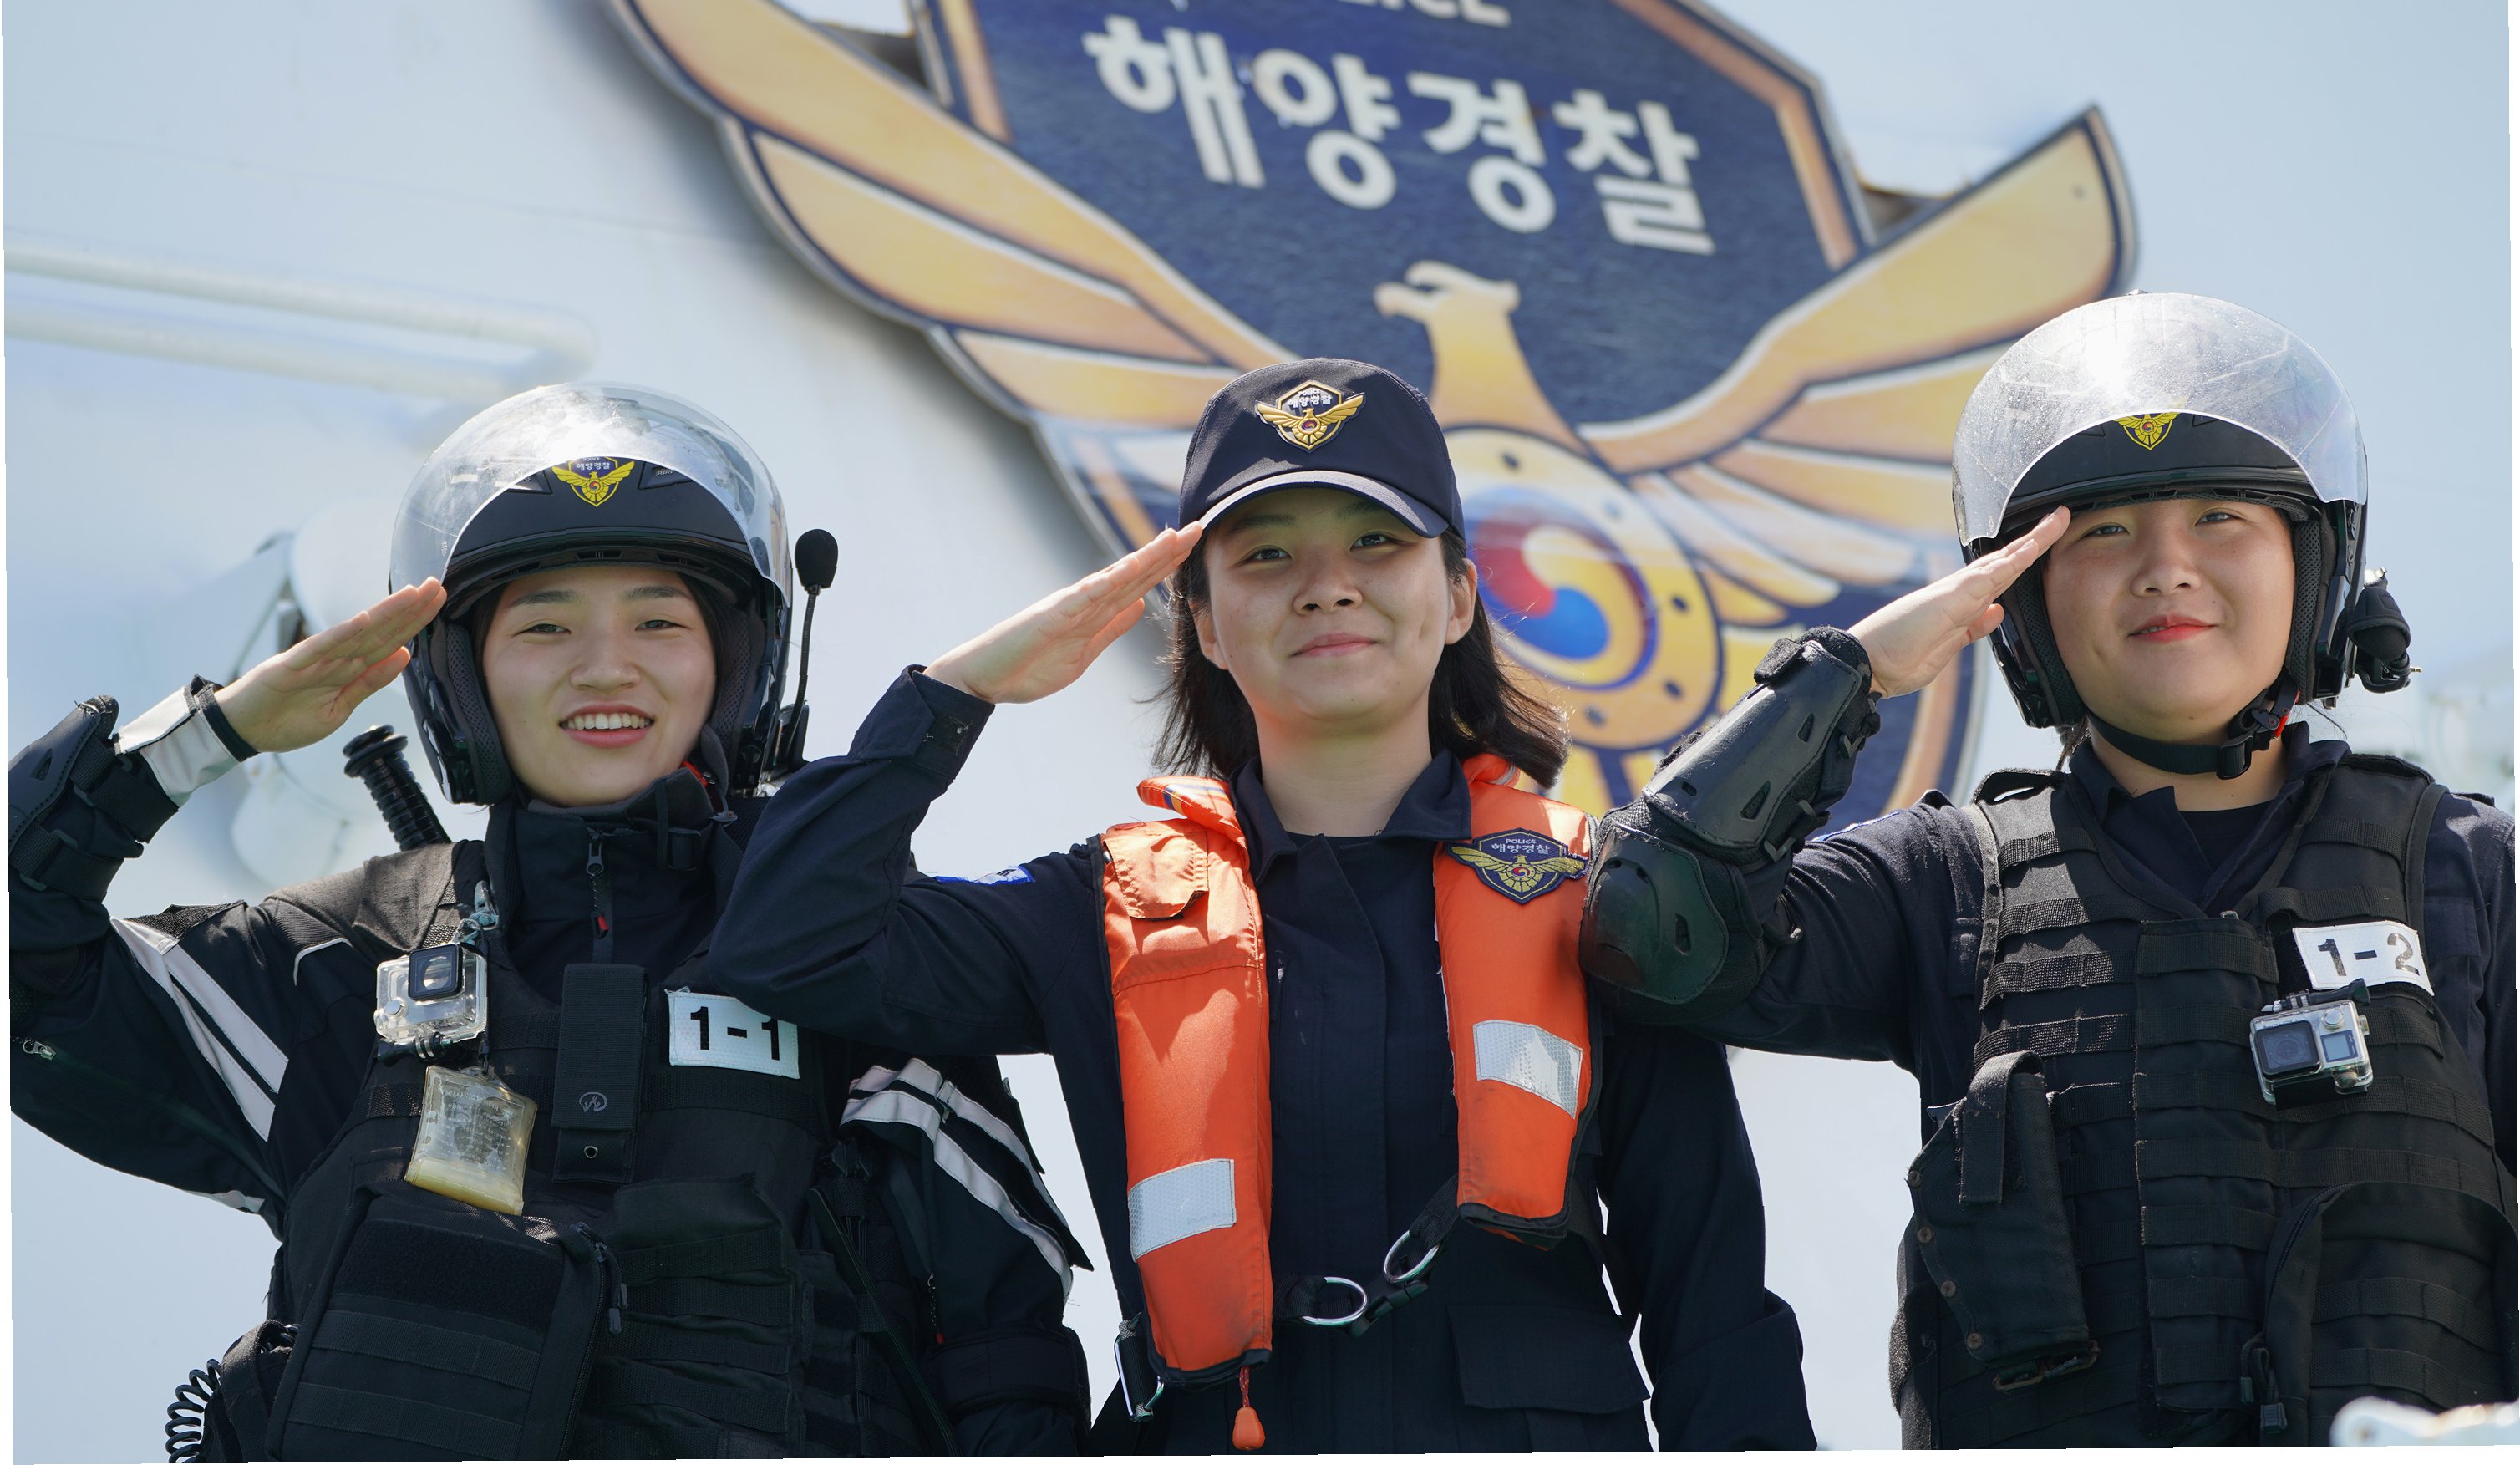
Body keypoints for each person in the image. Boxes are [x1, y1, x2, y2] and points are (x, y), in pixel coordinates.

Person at [712, 358, 1816, 1452]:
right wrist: (958, 692)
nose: (1326, 585)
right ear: (1199, 620)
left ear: (1459, 595)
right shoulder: (1100, 910)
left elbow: (1713, 1306)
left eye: (1376, 541)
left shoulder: (1601, 897)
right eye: (1268, 554)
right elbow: (790, 940)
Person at [9, 381, 1091, 1460]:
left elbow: (1008, 1367)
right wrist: (203, 739)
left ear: (736, 663)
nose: (605, 664)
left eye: (658, 621)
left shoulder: (866, 973)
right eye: (545, 624)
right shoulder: (335, 965)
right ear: (461, 678)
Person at [1578, 292, 2516, 1447]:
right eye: (2103, 533)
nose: (2166, 568)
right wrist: (1850, 673)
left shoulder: (2473, 874)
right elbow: (1651, 929)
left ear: (2316, 563)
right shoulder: (1942, 883)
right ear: (2019, 601)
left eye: (2220, 517)